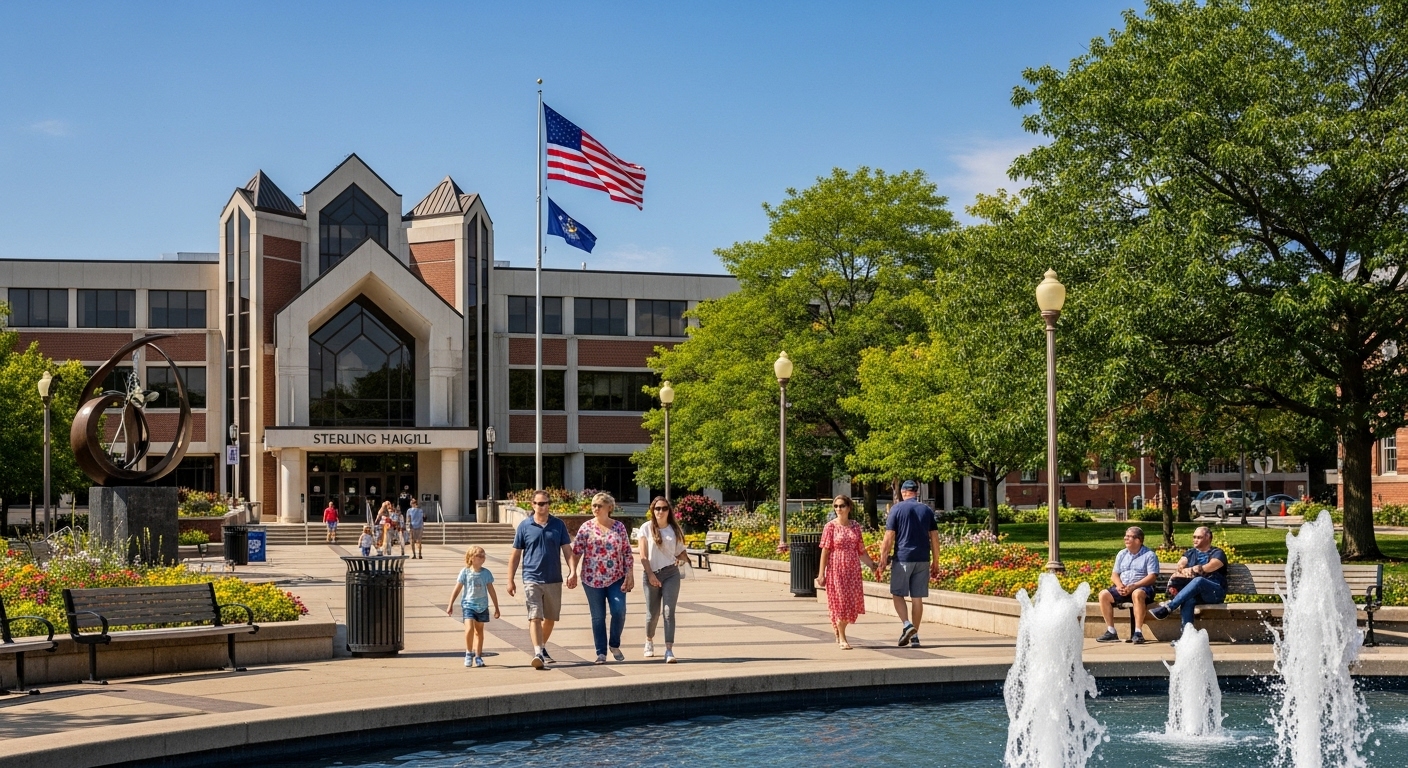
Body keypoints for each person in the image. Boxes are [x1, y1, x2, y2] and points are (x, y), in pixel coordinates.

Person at [507, 489, 577, 669]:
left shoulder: (558, 525)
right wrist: (510, 580)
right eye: (538, 503)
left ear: (549, 505)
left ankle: (542, 647)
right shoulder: (525, 526)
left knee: (551, 618)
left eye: (545, 503)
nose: (541, 506)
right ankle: (538, 652)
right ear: (532, 505)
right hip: (532, 578)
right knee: (535, 616)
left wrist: (573, 571)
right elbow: (515, 555)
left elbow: (567, 550)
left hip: (553, 577)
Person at [572, 492, 635, 665]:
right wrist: (572, 572)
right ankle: (601, 652)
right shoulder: (586, 527)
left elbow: (627, 552)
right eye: (593, 505)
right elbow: (576, 552)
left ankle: (614, 643)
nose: (595, 508)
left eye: (599, 505)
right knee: (598, 617)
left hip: (616, 577)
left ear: (609, 507)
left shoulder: (619, 527)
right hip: (591, 579)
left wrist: (630, 574)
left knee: (618, 611)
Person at [875, 480, 940, 648]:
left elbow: (889, 537)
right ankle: (915, 636)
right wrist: (936, 561)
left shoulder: (896, 509)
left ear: (903, 492)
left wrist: (883, 560)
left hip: (903, 558)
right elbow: (934, 537)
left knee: (898, 594)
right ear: (916, 492)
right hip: (923, 558)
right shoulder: (926, 510)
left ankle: (907, 624)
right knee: (917, 598)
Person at [816, 495, 878, 650]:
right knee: (841, 603)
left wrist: (872, 565)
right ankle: (842, 637)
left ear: (849, 507)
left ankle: (839, 630)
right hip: (836, 568)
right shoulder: (830, 527)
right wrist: (821, 573)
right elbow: (825, 550)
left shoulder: (855, 526)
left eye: (842, 506)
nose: (838, 509)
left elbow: (861, 550)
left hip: (853, 570)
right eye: (836, 506)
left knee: (851, 605)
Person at [638, 496, 687, 663]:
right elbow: (643, 555)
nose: (660, 511)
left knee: (668, 611)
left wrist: (684, 559)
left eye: (664, 508)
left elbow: (679, 552)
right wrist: (651, 575)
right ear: (653, 510)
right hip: (651, 573)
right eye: (657, 508)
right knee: (653, 613)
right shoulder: (646, 528)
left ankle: (669, 650)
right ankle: (649, 640)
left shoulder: (674, 530)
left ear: (669, 510)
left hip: (671, 574)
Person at [1151, 526, 1228, 630]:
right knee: (1188, 599)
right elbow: (1180, 564)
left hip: (1215, 593)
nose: (1195, 540)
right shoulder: (1190, 552)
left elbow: (1211, 566)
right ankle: (1186, 636)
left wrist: (1197, 569)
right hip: (1197, 594)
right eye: (1194, 537)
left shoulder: (1218, 553)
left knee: (1199, 580)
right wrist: (1183, 570)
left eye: (1199, 537)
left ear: (1208, 538)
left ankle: (1169, 607)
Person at [1095, 526, 1160, 644]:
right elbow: (1114, 574)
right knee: (1103, 595)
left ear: (1138, 540)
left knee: (1137, 593)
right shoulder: (1122, 554)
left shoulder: (1149, 555)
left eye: (1129, 536)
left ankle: (1138, 633)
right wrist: (1119, 585)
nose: (1125, 538)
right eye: (1126, 536)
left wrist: (1134, 586)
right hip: (1123, 588)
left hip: (1143, 589)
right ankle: (1111, 632)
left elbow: (1152, 577)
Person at [446, 545, 500, 668]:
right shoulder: (465, 572)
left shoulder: (486, 573)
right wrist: (450, 604)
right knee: (469, 628)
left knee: (479, 632)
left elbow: (491, 590)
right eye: (479, 555)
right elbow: (457, 588)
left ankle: (478, 656)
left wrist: (496, 607)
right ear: (471, 558)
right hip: (468, 605)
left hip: (482, 606)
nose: (482, 558)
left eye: (483, 555)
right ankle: (469, 653)